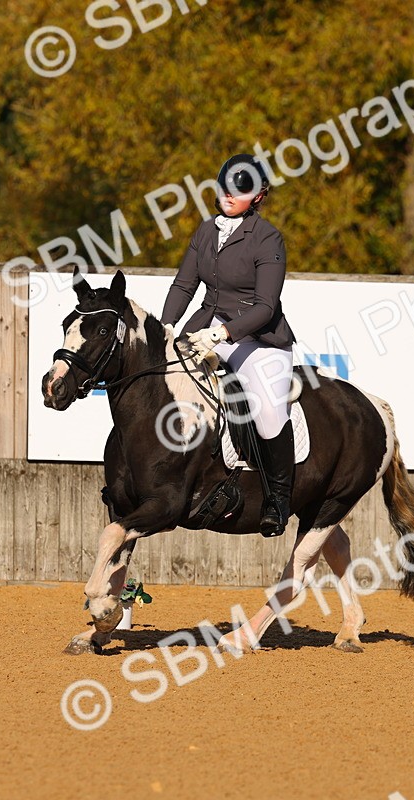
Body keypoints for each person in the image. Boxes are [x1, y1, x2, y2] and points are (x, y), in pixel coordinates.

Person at [160, 154, 297, 537]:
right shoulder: (206, 231)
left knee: (268, 411)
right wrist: (167, 326)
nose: (229, 195)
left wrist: (222, 334)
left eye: (240, 191)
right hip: (204, 328)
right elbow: (185, 285)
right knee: (164, 382)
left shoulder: (268, 238)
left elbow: (265, 306)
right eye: (224, 188)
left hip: (257, 339)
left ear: (258, 196)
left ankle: (278, 500)